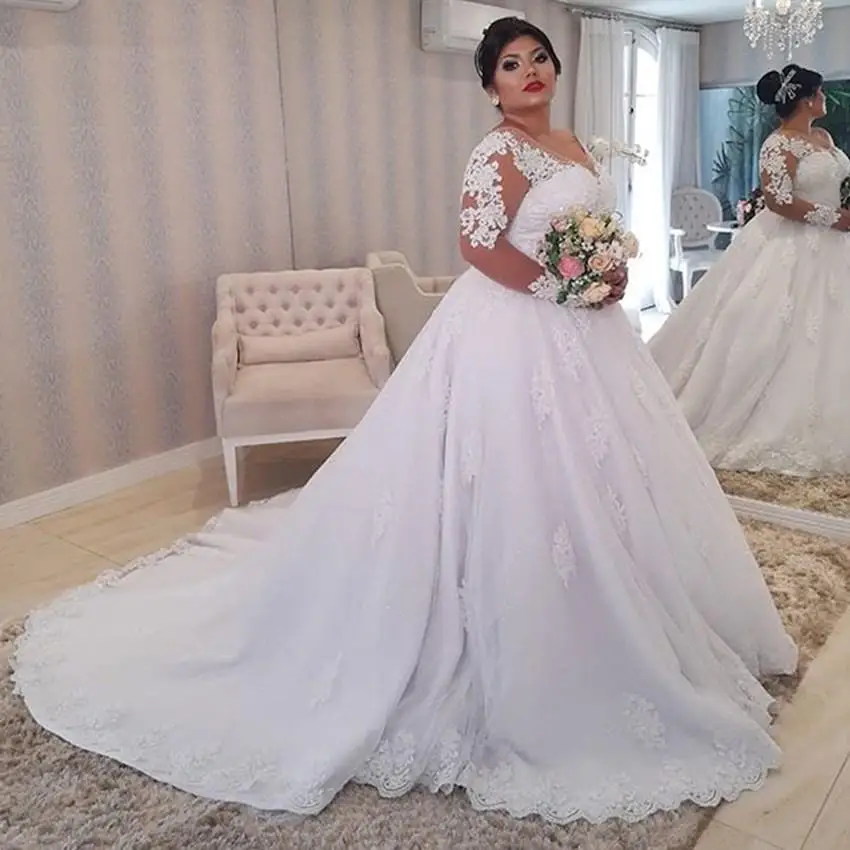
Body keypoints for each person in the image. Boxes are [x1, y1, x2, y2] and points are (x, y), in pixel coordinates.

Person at [12, 18, 796, 826]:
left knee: (603, 474)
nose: (529, 71)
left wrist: (608, 270)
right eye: (510, 64)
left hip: (588, 333)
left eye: (538, 58)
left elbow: (588, 233)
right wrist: (564, 285)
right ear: (490, 86)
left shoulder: (571, 145)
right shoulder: (495, 152)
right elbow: (479, 248)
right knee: (515, 476)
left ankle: (624, 608)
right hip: (513, 328)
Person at [650, 64, 850, 476]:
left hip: (834, 244)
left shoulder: (824, 138)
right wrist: (833, 217)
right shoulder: (778, 144)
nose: (824, 99)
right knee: (770, 326)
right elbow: (778, 201)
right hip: (792, 244)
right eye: (819, 93)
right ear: (805, 99)